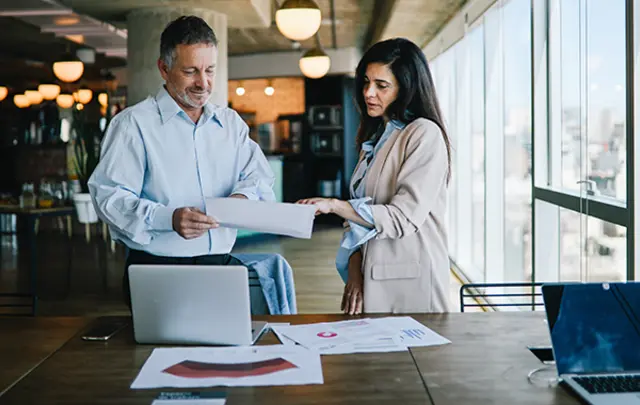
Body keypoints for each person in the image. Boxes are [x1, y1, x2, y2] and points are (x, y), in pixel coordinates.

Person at [88, 16, 296, 314]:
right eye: (190, 71)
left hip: (222, 267)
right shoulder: (133, 125)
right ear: (164, 68)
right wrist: (167, 219)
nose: (203, 83)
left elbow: (258, 179)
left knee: (228, 358)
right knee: (157, 360)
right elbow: (109, 198)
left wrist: (242, 200)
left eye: (210, 70)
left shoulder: (230, 124)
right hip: (157, 271)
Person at [298, 38, 452, 315]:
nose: (368, 92)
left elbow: (403, 218)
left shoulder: (424, 134)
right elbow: (357, 219)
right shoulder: (375, 138)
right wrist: (355, 273)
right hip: (371, 279)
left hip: (412, 285)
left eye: (381, 86)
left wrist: (334, 205)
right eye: (366, 82)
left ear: (406, 89)